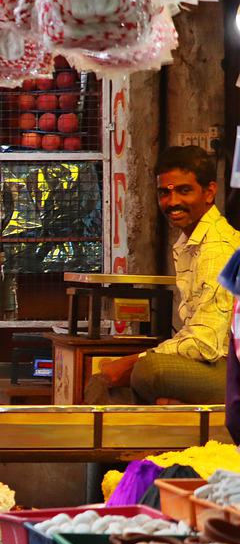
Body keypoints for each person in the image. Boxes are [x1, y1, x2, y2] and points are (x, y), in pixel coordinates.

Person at [93, 146, 240, 404]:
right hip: (218, 365)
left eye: (184, 191)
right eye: (164, 193)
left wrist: (136, 361)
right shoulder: (191, 242)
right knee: (109, 380)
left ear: (209, 192)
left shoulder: (219, 248)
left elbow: (205, 344)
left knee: (149, 372)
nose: (172, 203)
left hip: (231, 370)